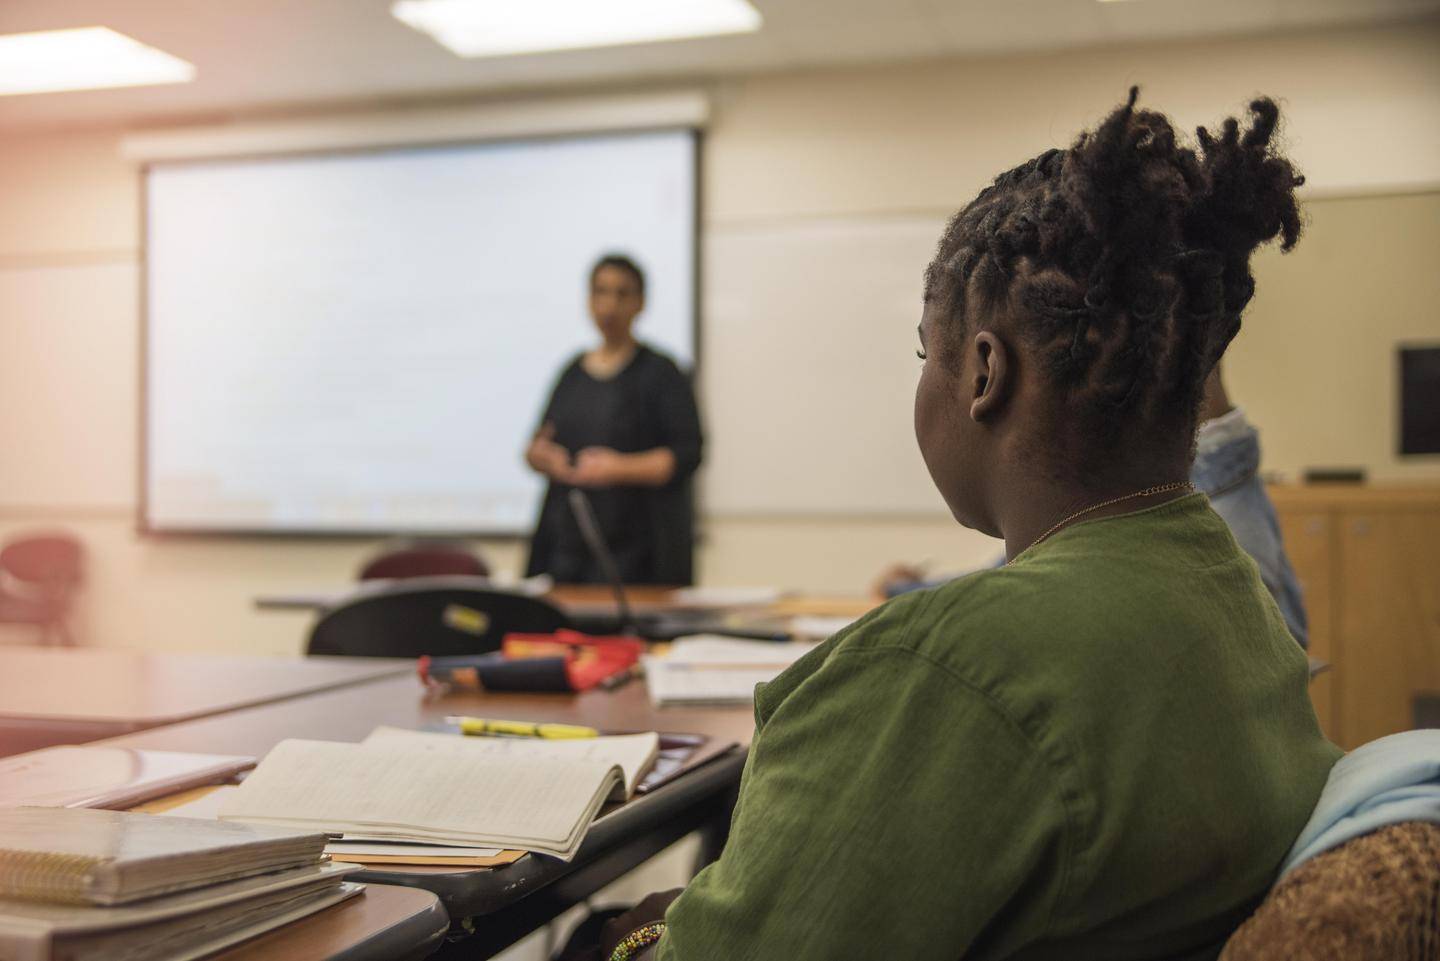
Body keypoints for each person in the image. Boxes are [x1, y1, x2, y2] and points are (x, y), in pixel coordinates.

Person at [581, 90, 1341, 961]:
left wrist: (625, 932)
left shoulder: (945, 670)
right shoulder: (1235, 597)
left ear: (984, 373)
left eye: (923, 352)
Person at [877, 365, 1311, 647]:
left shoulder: (1162, 520)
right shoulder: (1143, 501)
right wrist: (908, 590)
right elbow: (1001, 583)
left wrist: (904, 595)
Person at [524, 254, 703, 585]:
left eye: (622, 294)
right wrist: (543, 458)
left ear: (640, 303)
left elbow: (687, 454)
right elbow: (537, 446)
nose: (609, 306)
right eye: (600, 292)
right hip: (569, 553)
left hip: (639, 555)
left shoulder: (661, 373)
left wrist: (618, 468)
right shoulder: (572, 372)